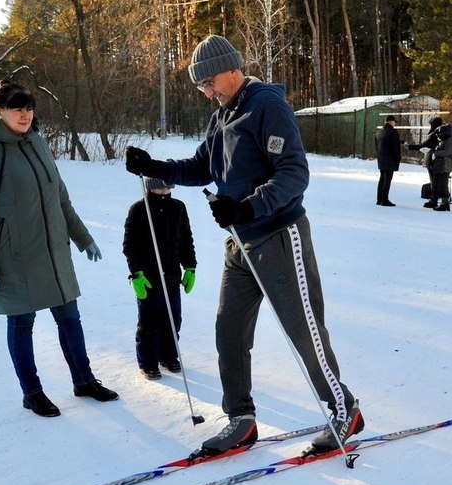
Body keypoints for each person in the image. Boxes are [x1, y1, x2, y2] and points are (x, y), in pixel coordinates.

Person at [124, 35, 363, 455]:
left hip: (278, 237)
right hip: (240, 245)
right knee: (228, 331)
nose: (206, 92)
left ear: (232, 69)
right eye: (201, 87)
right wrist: (154, 166)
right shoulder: (222, 116)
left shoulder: (266, 106)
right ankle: (241, 417)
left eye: (210, 82)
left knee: (302, 331)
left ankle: (344, 409)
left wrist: (248, 207)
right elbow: (200, 166)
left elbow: (294, 173)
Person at [0, 79, 118, 418]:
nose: (25, 114)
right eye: (17, 107)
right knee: (22, 324)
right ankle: (31, 392)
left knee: (70, 319)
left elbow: (59, 197)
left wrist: (82, 236)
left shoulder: (38, 144)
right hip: (13, 258)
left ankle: (84, 380)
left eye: (29, 107)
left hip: (53, 253)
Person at [122, 178, 197, 380]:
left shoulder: (178, 207)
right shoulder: (139, 210)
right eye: (160, 186)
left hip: (172, 275)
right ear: (149, 186)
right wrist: (136, 273)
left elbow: (186, 239)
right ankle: (148, 362)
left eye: (168, 186)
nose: (164, 190)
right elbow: (130, 245)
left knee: (173, 318)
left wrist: (190, 266)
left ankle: (169, 355)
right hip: (148, 278)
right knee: (149, 319)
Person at [407, 116, 442, 208]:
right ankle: (438, 196)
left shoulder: (434, 136)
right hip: (437, 160)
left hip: (432, 159)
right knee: (437, 180)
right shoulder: (441, 134)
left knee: (433, 180)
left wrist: (409, 146)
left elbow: (423, 145)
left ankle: (434, 199)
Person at [374, 115, 401, 206]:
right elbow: (395, 147)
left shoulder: (378, 132)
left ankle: (379, 199)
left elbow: (377, 147)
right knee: (387, 180)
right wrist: (398, 158)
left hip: (381, 158)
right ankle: (385, 199)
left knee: (382, 178)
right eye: (394, 122)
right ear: (391, 122)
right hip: (391, 159)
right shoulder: (393, 132)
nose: (395, 124)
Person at [430, 122, 452, 211]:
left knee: (443, 185)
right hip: (441, 164)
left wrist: (435, 153)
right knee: (438, 183)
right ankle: (439, 202)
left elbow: (447, 152)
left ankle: (445, 203)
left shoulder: (450, 141)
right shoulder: (444, 140)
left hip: (446, 165)